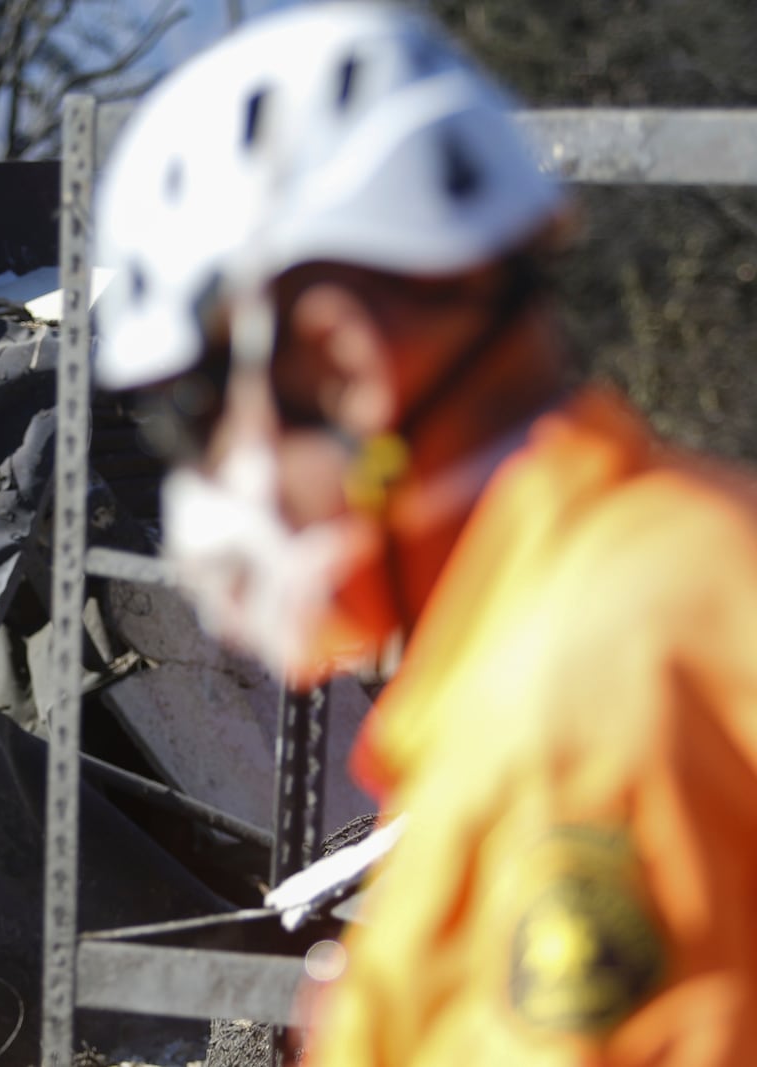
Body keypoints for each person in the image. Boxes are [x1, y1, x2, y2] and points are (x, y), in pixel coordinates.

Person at [94, 3, 757, 1064]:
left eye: (185, 414)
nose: (193, 483)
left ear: (339, 362)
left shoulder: (589, 699)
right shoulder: (653, 580)